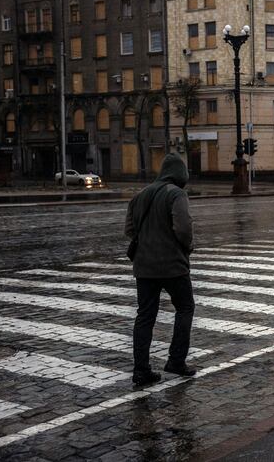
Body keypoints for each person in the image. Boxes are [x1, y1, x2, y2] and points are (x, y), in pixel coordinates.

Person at [125, 153, 196, 386]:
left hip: (144, 267)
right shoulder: (176, 194)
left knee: (145, 316)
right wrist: (187, 247)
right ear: (180, 175)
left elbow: (129, 229)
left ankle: (141, 370)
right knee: (185, 308)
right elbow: (183, 228)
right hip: (173, 265)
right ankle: (176, 360)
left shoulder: (139, 195)